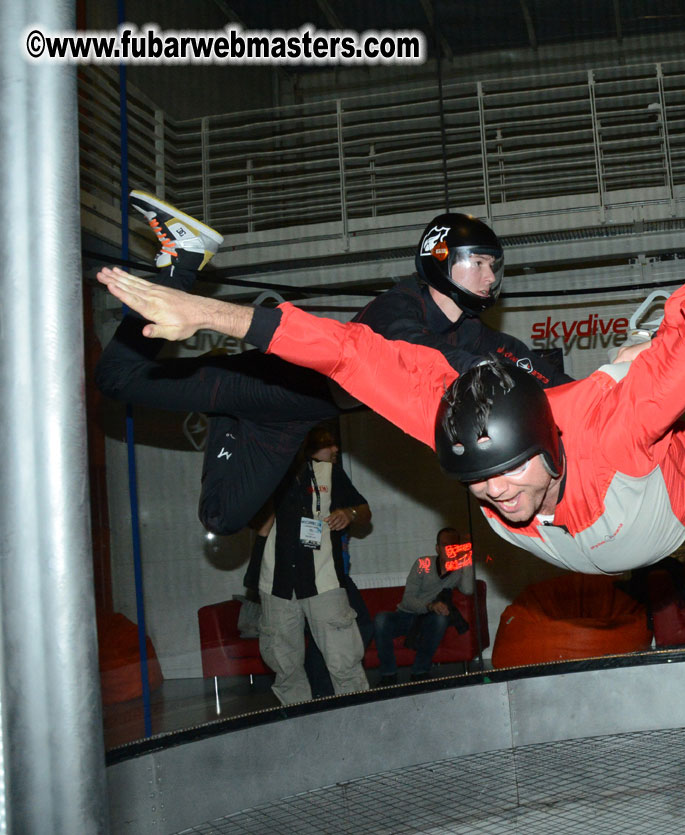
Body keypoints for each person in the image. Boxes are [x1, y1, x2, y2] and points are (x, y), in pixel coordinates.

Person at [97, 132, 685, 574]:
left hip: (669, 492)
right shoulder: (445, 413)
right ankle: (630, 351)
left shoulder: (605, 428)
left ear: (543, 444)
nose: (497, 494)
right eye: (483, 478)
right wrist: (212, 314)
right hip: (585, 440)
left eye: (506, 473)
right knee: (222, 493)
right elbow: (344, 354)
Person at [94, 195, 572, 535]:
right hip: (263, 384)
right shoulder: (397, 311)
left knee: (221, 518)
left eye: (495, 267)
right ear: (440, 261)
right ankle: (181, 260)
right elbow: (425, 363)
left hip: (299, 417)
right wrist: (504, 376)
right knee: (116, 379)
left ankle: (228, 419)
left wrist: (598, 387)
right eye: (480, 264)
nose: (491, 277)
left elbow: (526, 364)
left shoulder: (470, 329)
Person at [252, 422, 372, 704]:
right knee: (286, 669)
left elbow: (364, 511)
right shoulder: (267, 475)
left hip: (324, 580)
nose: (335, 449)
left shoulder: (329, 473)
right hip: (276, 583)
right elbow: (252, 524)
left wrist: (349, 513)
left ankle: (359, 724)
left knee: (345, 664)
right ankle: (301, 728)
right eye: (328, 443)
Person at [372, 527, 475, 686]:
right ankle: (388, 674)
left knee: (441, 619)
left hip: (430, 619)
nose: (448, 550)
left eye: (453, 546)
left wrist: (467, 557)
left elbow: (468, 589)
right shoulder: (423, 563)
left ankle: (420, 671)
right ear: (437, 548)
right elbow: (407, 600)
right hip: (407, 614)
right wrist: (430, 605)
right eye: (444, 545)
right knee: (381, 619)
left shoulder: (458, 569)